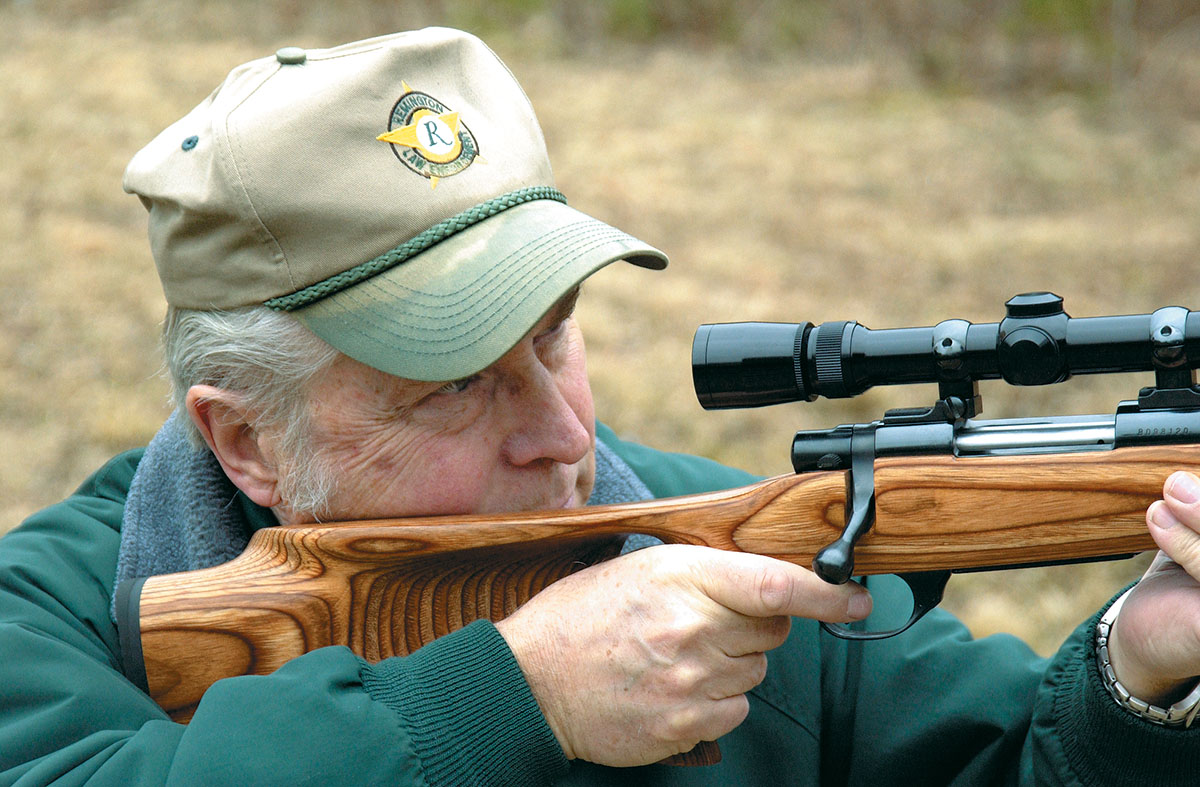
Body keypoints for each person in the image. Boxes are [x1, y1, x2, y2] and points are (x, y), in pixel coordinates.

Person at [1, 26, 1198, 786]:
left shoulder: (719, 546)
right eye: (455, 383)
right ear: (248, 440)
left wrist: (1135, 680)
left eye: (554, 333)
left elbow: (1006, 764)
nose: (566, 435)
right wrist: (508, 698)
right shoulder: (48, 623)